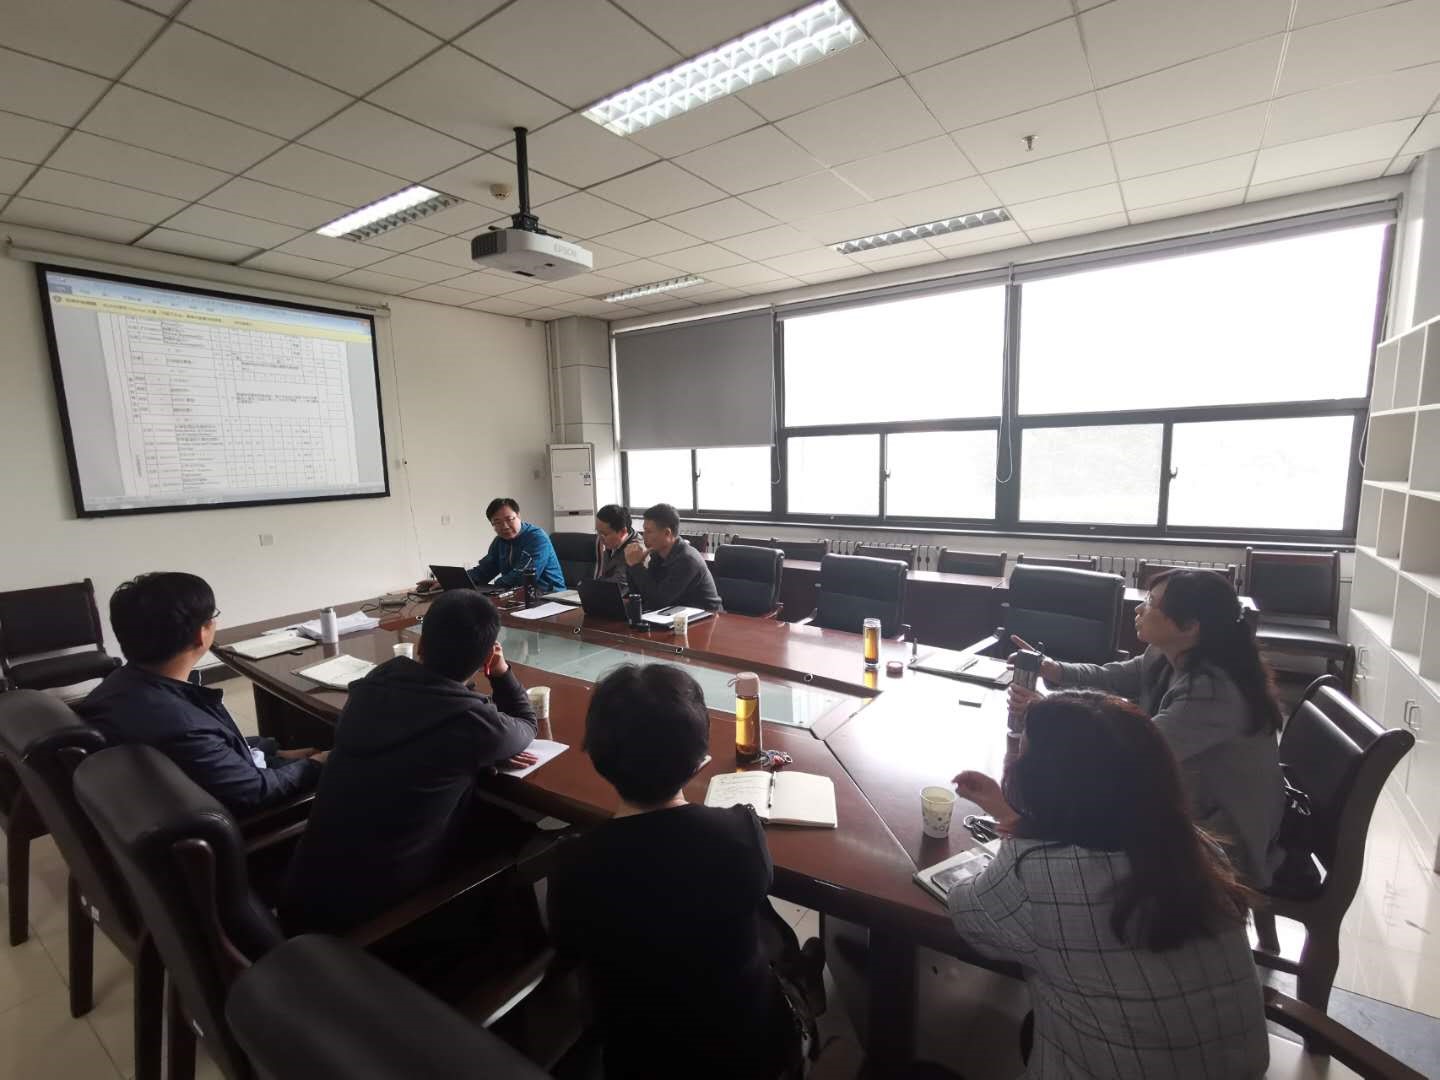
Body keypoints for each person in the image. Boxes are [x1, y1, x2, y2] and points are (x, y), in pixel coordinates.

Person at [950, 692, 1269, 1079]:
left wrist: (1016, 837)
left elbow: (968, 914)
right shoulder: (1197, 849)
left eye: (1024, 755)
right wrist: (1011, 816)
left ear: (1044, 783)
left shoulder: (1037, 872)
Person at [547, 664, 809, 1079]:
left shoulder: (573, 863)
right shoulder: (739, 833)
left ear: (596, 756)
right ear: (700, 761)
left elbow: (569, 944)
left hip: (639, 1059)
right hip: (754, 1054)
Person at [281, 590, 538, 935]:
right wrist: (500, 672)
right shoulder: (471, 722)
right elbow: (526, 724)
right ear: (485, 659)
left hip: (302, 896)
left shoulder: (373, 685)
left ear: (419, 645)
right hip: (372, 928)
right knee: (521, 834)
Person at [1008, 568, 1284, 887]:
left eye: (1151, 603)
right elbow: (1111, 677)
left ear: (1190, 626)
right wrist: (1054, 669)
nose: (1139, 609)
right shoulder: (1168, 654)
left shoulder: (1212, 691)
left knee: (1073, 807)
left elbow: (1137, 752)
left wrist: (1048, 711)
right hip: (1181, 796)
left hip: (1219, 835)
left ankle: (1057, 892)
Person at [79, 573, 324, 817]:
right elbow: (257, 792)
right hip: (249, 824)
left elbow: (213, 749)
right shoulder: (182, 726)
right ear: (201, 634)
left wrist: (272, 751)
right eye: (212, 617)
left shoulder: (121, 684)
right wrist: (317, 764)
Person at [419, 498, 564, 594]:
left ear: (518, 516)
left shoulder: (537, 538)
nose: (504, 526)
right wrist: (450, 582)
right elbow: (484, 571)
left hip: (549, 597)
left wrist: (496, 586)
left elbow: (524, 577)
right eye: (497, 522)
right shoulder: (499, 541)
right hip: (517, 596)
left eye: (509, 519)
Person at [623, 502, 722, 612]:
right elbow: (640, 595)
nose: (644, 536)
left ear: (667, 533)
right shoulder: (657, 554)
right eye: (644, 530)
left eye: (649, 531)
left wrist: (636, 566)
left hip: (707, 616)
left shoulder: (687, 560)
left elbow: (658, 601)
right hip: (675, 613)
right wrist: (631, 564)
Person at [593, 503, 641, 582]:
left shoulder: (635, 550)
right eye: (597, 532)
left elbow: (620, 583)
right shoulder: (612, 544)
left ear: (622, 531)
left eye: (605, 534)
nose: (600, 538)